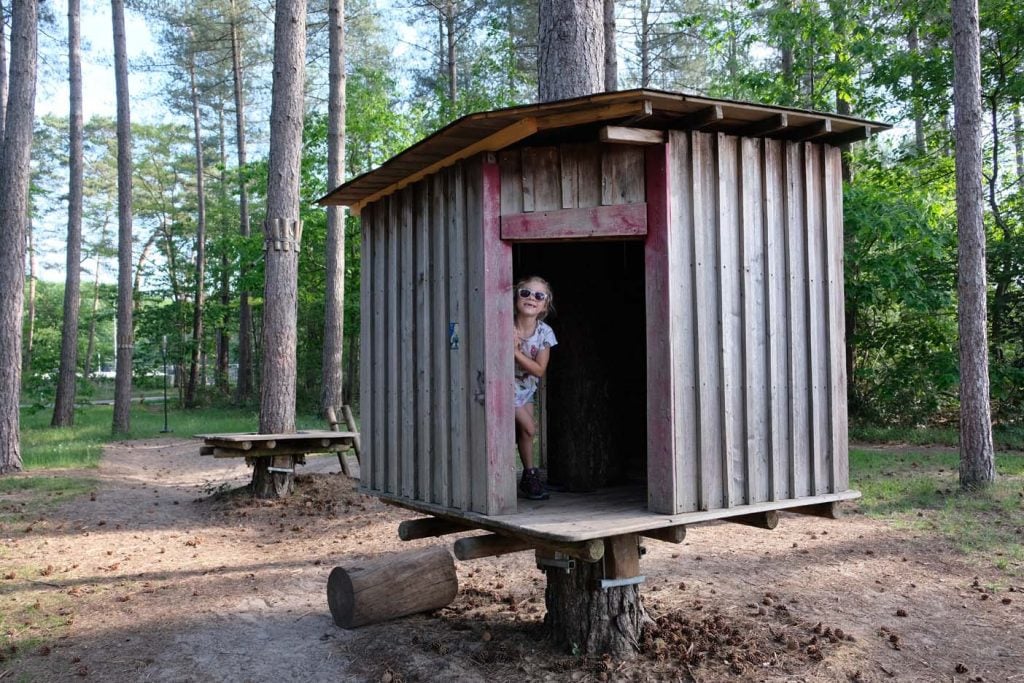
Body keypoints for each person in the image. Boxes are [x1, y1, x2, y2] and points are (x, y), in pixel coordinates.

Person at [513, 276, 557, 500]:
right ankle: (528, 475)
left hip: (527, 387)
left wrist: (515, 353)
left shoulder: (545, 333)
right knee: (530, 428)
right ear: (516, 297)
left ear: (544, 305)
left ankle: (529, 476)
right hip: (504, 387)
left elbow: (539, 370)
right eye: (526, 293)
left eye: (539, 296)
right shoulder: (505, 325)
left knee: (526, 433)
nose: (532, 298)